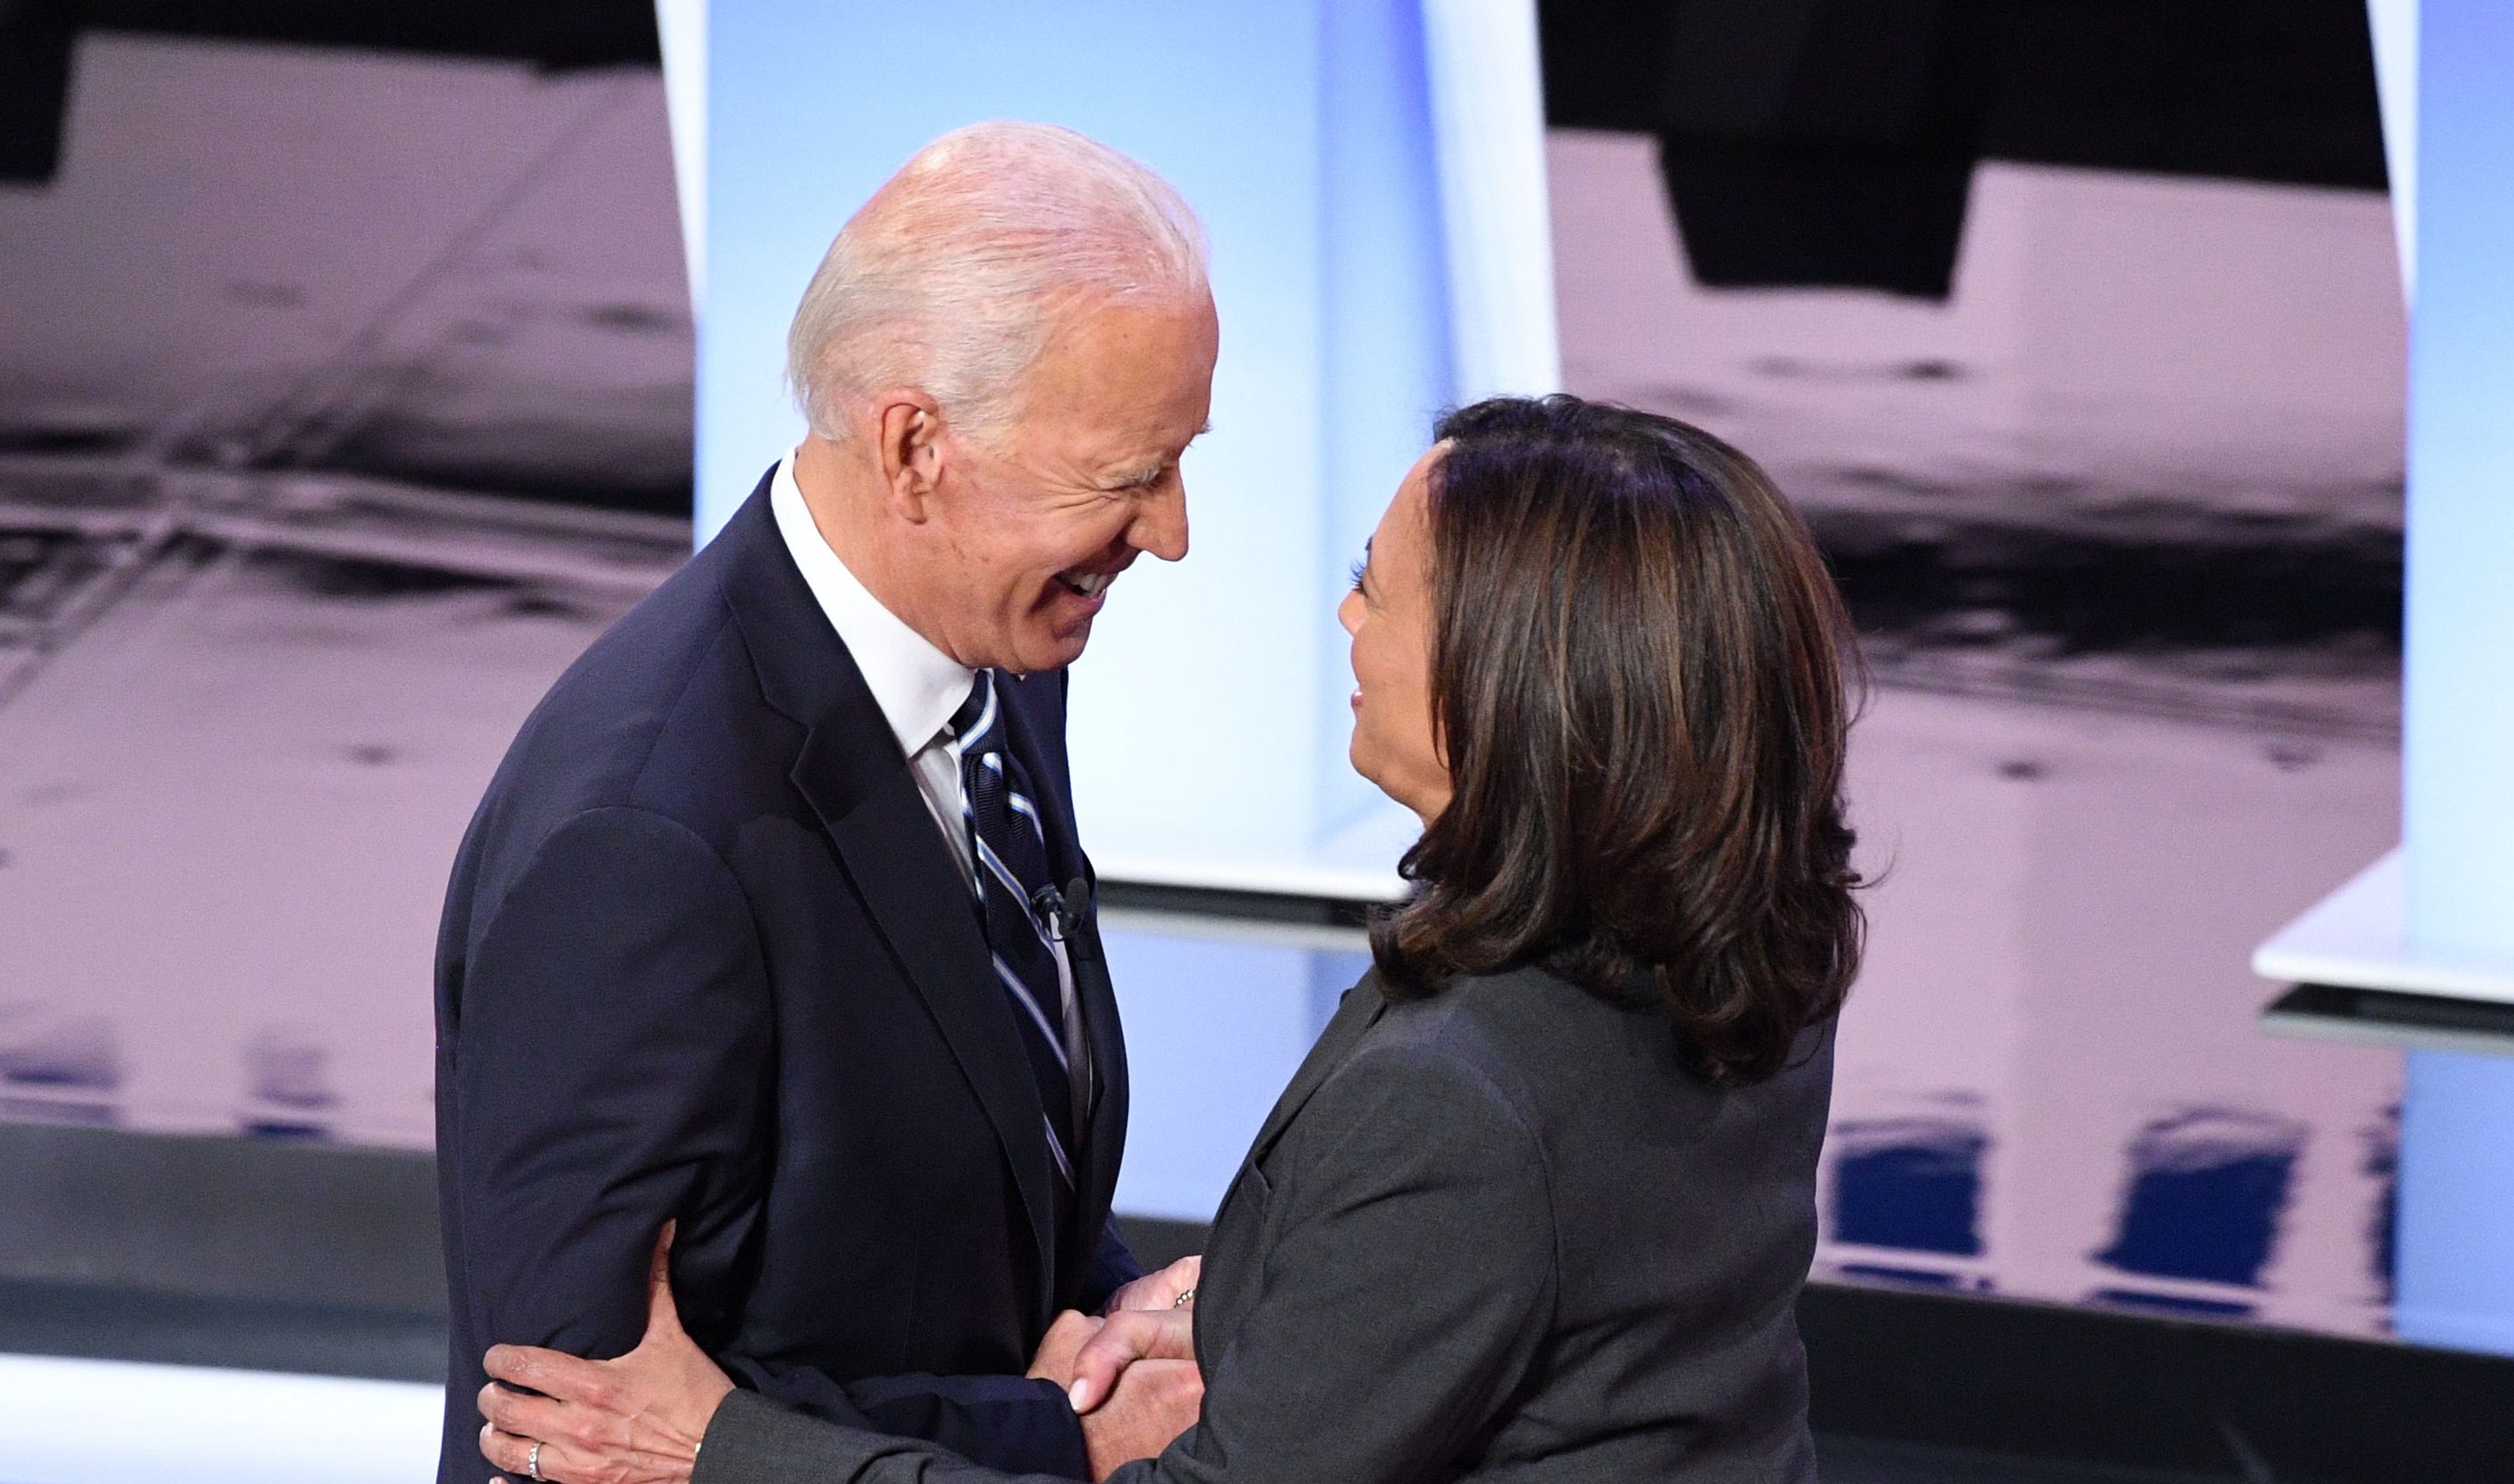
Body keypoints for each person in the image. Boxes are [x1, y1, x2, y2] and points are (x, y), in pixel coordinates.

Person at [472, 394, 1867, 1484]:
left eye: (1376, 590)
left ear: (1512, 684)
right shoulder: (1741, 927)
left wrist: (715, 1449)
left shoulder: (1455, 1107)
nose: (1343, 621)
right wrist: (1267, 1302)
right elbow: (1548, 1293)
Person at [431, 123, 1219, 1484]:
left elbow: (998, 1136)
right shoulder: (644, 838)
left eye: (1177, 460)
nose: (1170, 530)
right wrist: (1058, 1437)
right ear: (914, 444)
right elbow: (575, 1421)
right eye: (1124, 476)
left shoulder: (996, 665)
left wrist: (1111, 1338)